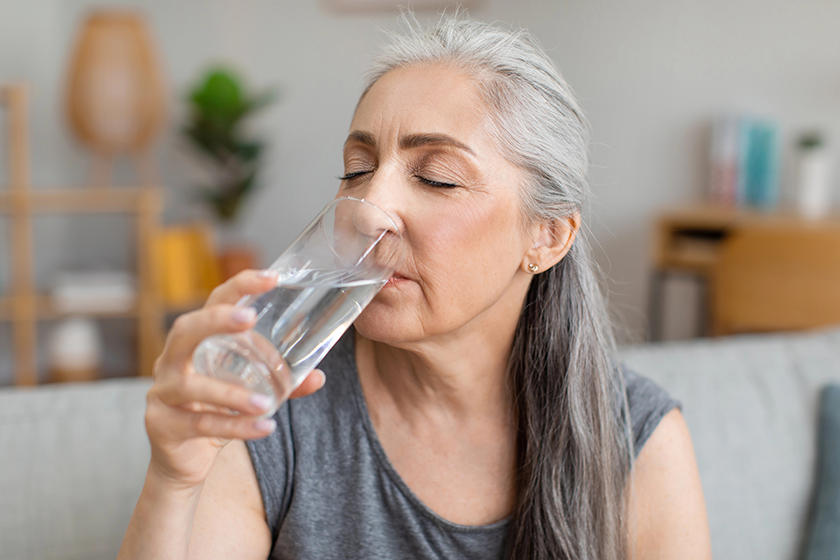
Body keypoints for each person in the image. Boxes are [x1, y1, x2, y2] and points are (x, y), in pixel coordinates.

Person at [119, 12, 711, 560]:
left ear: (548, 237)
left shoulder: (638, 440)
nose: (368, 207)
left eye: (436, 177)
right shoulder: (266, 408)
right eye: (357, 170)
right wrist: (174, 480)